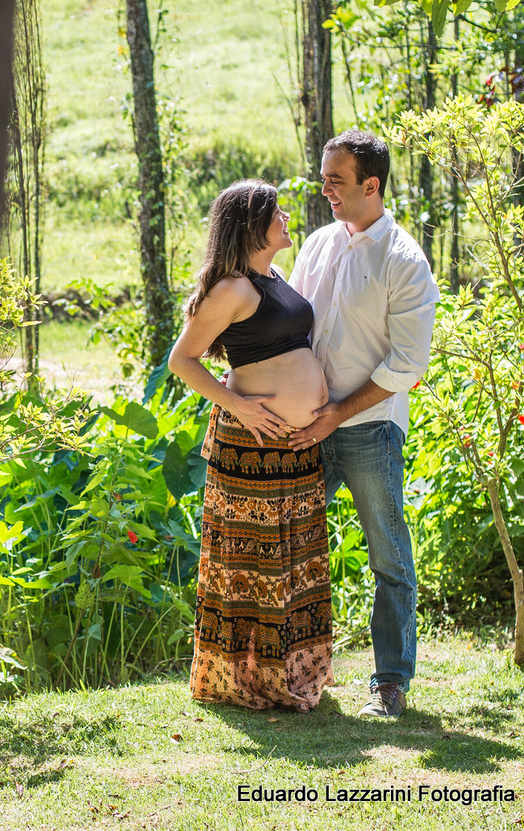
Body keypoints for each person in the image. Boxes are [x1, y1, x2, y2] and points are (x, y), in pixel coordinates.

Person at [287, 131, 440, 718]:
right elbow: (293, 330)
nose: (324, 189)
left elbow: (407, 364)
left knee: (389, 557)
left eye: (335, 180)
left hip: (369, 428)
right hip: (306, 426)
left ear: (370, 186)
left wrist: (338, 416)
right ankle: (290, 674)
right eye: (324, 177)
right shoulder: (318, 244)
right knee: (291, 548)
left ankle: (391, 682)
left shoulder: (403, 260)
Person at [168, 179, 333, 712]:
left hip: (293, 446)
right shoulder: (233, 288)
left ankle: (287, 672)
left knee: (290, 560)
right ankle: (245, 678)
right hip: (252, 447)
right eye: (275, 210)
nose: (286, 215)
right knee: (253, 564)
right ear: (251, 224)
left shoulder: (274, 277)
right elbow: (182, 360)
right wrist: (236, 404)